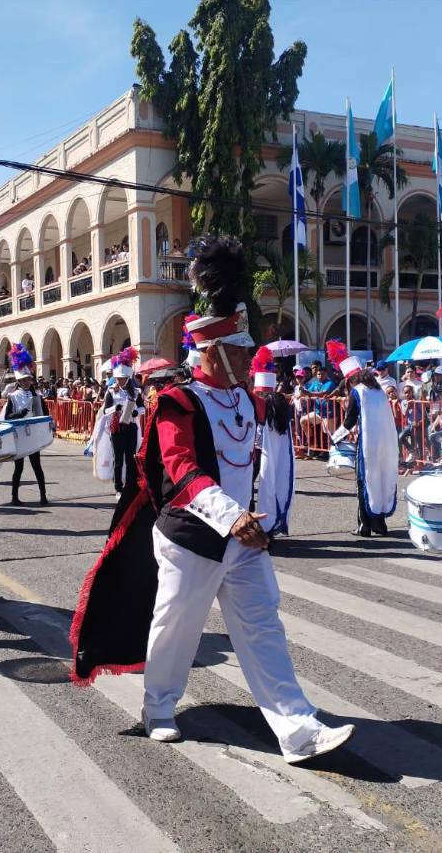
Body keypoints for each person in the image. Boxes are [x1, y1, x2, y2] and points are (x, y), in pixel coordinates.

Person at [70, 237, 354, 764]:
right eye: (243, 349)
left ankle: (298, 731)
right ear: (215, 350)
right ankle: (157, 709)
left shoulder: (245, 398)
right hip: (191, 539)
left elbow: (252, 465)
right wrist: (230, 515)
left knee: (264, 626)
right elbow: (180, 471)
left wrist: (259, 519)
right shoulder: (177, 400)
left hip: (244, 539)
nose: (252, 357)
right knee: (176, 627)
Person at [329, 340, 397, 538]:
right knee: (380, 480)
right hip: (386, 444)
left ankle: (364, 526)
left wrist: (335, 438)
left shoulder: (357, 392)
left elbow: (349, 421)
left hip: (368, 445)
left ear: (351, 379)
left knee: (364, 482)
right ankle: (380, 524)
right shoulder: (378, 391)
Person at [251, 346, 295, 536]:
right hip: (279, 457)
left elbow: (257, 434)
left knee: (252, 492)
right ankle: (272, 524)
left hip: (259, 454)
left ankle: (259, 527)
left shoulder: (263, 405)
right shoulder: (281, 405)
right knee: (276, 488)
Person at [3, 344, 49, 506]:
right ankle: (14, 496)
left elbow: (45, 414)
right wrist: (19, 414)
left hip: (34, 435)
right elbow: (7, 417)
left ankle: (43, 495)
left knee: (37, 466)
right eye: (23, 380)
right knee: (19, 468)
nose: (27, 382)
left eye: (28, 379)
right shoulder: (13, 396)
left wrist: (50, 425)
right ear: (19, 381)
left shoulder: (38, 395)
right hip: (20, 436)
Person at [96, 346, 142, 494]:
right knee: (118, 459)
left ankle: (130, 484)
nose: (120, 381)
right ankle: (118, 487)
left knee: (130, 458)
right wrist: (114, 409)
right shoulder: (111, 391)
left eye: (122, 378)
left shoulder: (136, 391)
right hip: (116, 428)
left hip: (131, 427)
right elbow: (105, 410)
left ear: (128, 378)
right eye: (118, 378)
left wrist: (136, 412)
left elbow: (143, 408)